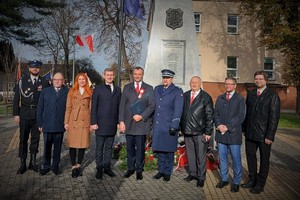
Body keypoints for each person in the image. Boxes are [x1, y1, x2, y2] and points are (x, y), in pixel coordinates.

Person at [242, 71, 280, 194]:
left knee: (264, 160)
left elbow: (274, 118)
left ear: (266, 81)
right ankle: (252, 180)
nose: (258, 81)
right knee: (250, 157)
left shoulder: (272, 96)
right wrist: (244, 129)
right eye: (256, 78)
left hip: (264, 136)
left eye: (260, 79)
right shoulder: (251, 93)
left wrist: (270, 136)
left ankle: (260, 184)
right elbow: (246, 113)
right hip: (250, 134)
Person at [13, 60, 49, 174]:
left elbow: (47, 100)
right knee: (23, 139)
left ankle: (32, 163)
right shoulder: (22, 81)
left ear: (39, 69)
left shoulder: (44, 82)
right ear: (29, 69)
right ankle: (22, 163)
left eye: (37, 67)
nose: (35, 69)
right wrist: (16, 114)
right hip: (24, 113)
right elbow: (16, 98)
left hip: (37, 114)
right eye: (33, 67)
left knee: (35, 139)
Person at [119, 67, 155, 180]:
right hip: (129, 123)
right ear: (133, 75)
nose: (137, 76)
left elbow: (152, 106)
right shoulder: (127, 87)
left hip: (141, 124)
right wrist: (121, 121)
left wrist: (142, 116)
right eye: (135, 74)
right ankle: (130, 168)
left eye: (139, 74)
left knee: (140, 149)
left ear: (142, 75)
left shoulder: (149, 88)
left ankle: (139, 170)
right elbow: (122, 105)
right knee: (129, 148)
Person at [180, 76, 214, 187]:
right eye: (192, 82)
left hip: (200, 131)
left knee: (200, 155)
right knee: (190, 154)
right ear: (190, 83)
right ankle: (193, 173)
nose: (194, 84)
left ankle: (201, 177)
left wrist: (208, 132)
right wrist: (181, 128)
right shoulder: (185, 95)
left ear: (200, 84)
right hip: (187, 130)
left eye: (196, 82)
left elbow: (209, 116)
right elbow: (181, 113)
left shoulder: (205, 97)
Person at [214, 77, 246, 192]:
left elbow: (240, 116)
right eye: (226, 84)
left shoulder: (240, 99)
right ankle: (224, 179)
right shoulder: (220, 98)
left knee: (236, 159)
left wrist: (227, 126)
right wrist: (218, 125)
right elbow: (215, 114)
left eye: (231, 84)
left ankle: (236, 182)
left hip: (233, 134)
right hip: (221, 134)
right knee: (222, 158)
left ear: (235, 86)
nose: (228, 86)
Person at [152, 69, 183, 182]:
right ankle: (161, 170)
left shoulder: (177, 91)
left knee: (169, 151)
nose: (165, 80)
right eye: (164, 77)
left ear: (172, 79)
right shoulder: (157, 89)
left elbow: (178, 109)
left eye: (168, 78)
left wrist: (174, 125)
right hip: (158, 125)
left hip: (169, 125)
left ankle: (167, 172)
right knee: (160, 150)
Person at [91, 68, 121, 179]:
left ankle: (107, 167)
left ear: (114, 76)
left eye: (111, 75)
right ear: (104, 76)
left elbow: (119, 107)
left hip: (112, 123)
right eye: (107, 75)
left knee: (109, 147)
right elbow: (94, 107)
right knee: (99, 147)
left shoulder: (118, 90)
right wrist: (93, 122)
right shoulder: (98, 89)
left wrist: (119, 121)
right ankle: (99, 168)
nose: (109, 77)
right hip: (100, 123)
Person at [37, 72, 69, 175]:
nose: (57, 81)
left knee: (58, 147)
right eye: (55, 79)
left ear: (63, 81)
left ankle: (55, 166)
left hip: (60, 124)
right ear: (52, 81)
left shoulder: (67, 92)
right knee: (47, 146)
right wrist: (40, 124)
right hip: (47, 124)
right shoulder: (45, 91)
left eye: (59, 80)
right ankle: (45, 165)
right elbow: (40, 108)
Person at [64, 73, 93, 178]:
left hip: (85, 120)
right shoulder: (71, 92)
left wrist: (91, 123)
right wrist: (66, 122)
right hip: (73, 120)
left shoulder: (90, 92)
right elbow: (68, 108)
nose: (81, 81)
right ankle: (73, 166)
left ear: (86, 80)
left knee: (82, 144)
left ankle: (79, 166)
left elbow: (91, 109)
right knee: (72, 144)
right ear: (77, 80)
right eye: (79, 79)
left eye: (83, 79)